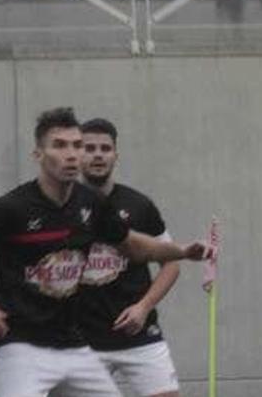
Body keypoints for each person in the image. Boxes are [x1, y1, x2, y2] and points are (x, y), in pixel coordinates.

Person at [0, 107, 213, 397]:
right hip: (18, 342)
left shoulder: (90, 203)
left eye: (77, 145)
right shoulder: (9, 208)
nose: (71, 154)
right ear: (38, 154)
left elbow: (133, 246)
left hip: (72, 344)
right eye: (59, 145)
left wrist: (182, 251)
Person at [77, 118, 183, 397]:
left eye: (105, 148)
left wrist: (143, 307)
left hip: (139, 337)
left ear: (115, 155)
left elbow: (171, 264)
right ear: (77, 153)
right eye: (89, 148)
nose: (98, 154)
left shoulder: (139, 205)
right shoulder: (62, 207)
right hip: (80, 342)